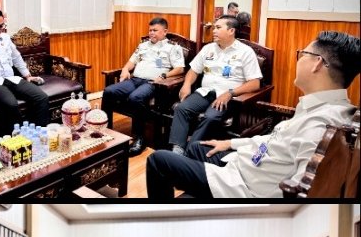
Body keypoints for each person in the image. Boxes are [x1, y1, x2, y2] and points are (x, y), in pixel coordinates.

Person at [148, 30, 359, 199]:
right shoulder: (320, 107)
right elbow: (278, 140)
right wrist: (230, 143)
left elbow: (301, 191)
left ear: (317, 63)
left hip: (244, 185)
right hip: (249, 162)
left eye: (303, 54)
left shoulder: (321, 125)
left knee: (158, 161)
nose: (299, 60)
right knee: (196, 147)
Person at [166, 14, 262, 154]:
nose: (214, 30)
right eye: (214, 28)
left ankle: (190, 151)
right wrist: (186, 85)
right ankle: (178, 149)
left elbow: (255, 83)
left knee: (210, 117)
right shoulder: (208, 48)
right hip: (205, 92)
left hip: (227, 97)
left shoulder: (245, 52)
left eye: (218, 27)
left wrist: (230, 93)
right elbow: (193, 71)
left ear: (231, 31)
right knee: (181, 108)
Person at [101, 17, 185, 154]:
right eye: (150, 30)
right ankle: (105, 130)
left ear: (165, 31)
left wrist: (164, 75)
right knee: (108, 91)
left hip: (153, 83)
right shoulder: (143, 45)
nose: (151, 33)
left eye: (155, 30)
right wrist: (125, 69)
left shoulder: (173, 48)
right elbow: (132, 61)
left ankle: (140, 138)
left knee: (135, 98)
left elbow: (180, 69)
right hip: (135, 80)